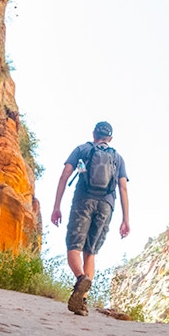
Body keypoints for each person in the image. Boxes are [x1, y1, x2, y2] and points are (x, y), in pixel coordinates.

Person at [50, 121, 130, 316]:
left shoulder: (82, 149)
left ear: (94, 133)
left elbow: (64, 175)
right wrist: (126, 219)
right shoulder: (117, 158)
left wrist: (56, 206)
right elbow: (123, 188)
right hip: (106, 205)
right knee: (90, 252)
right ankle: (82, 301)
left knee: (74, 248)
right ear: (110, 138)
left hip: (83, 200)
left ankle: (80, 278)